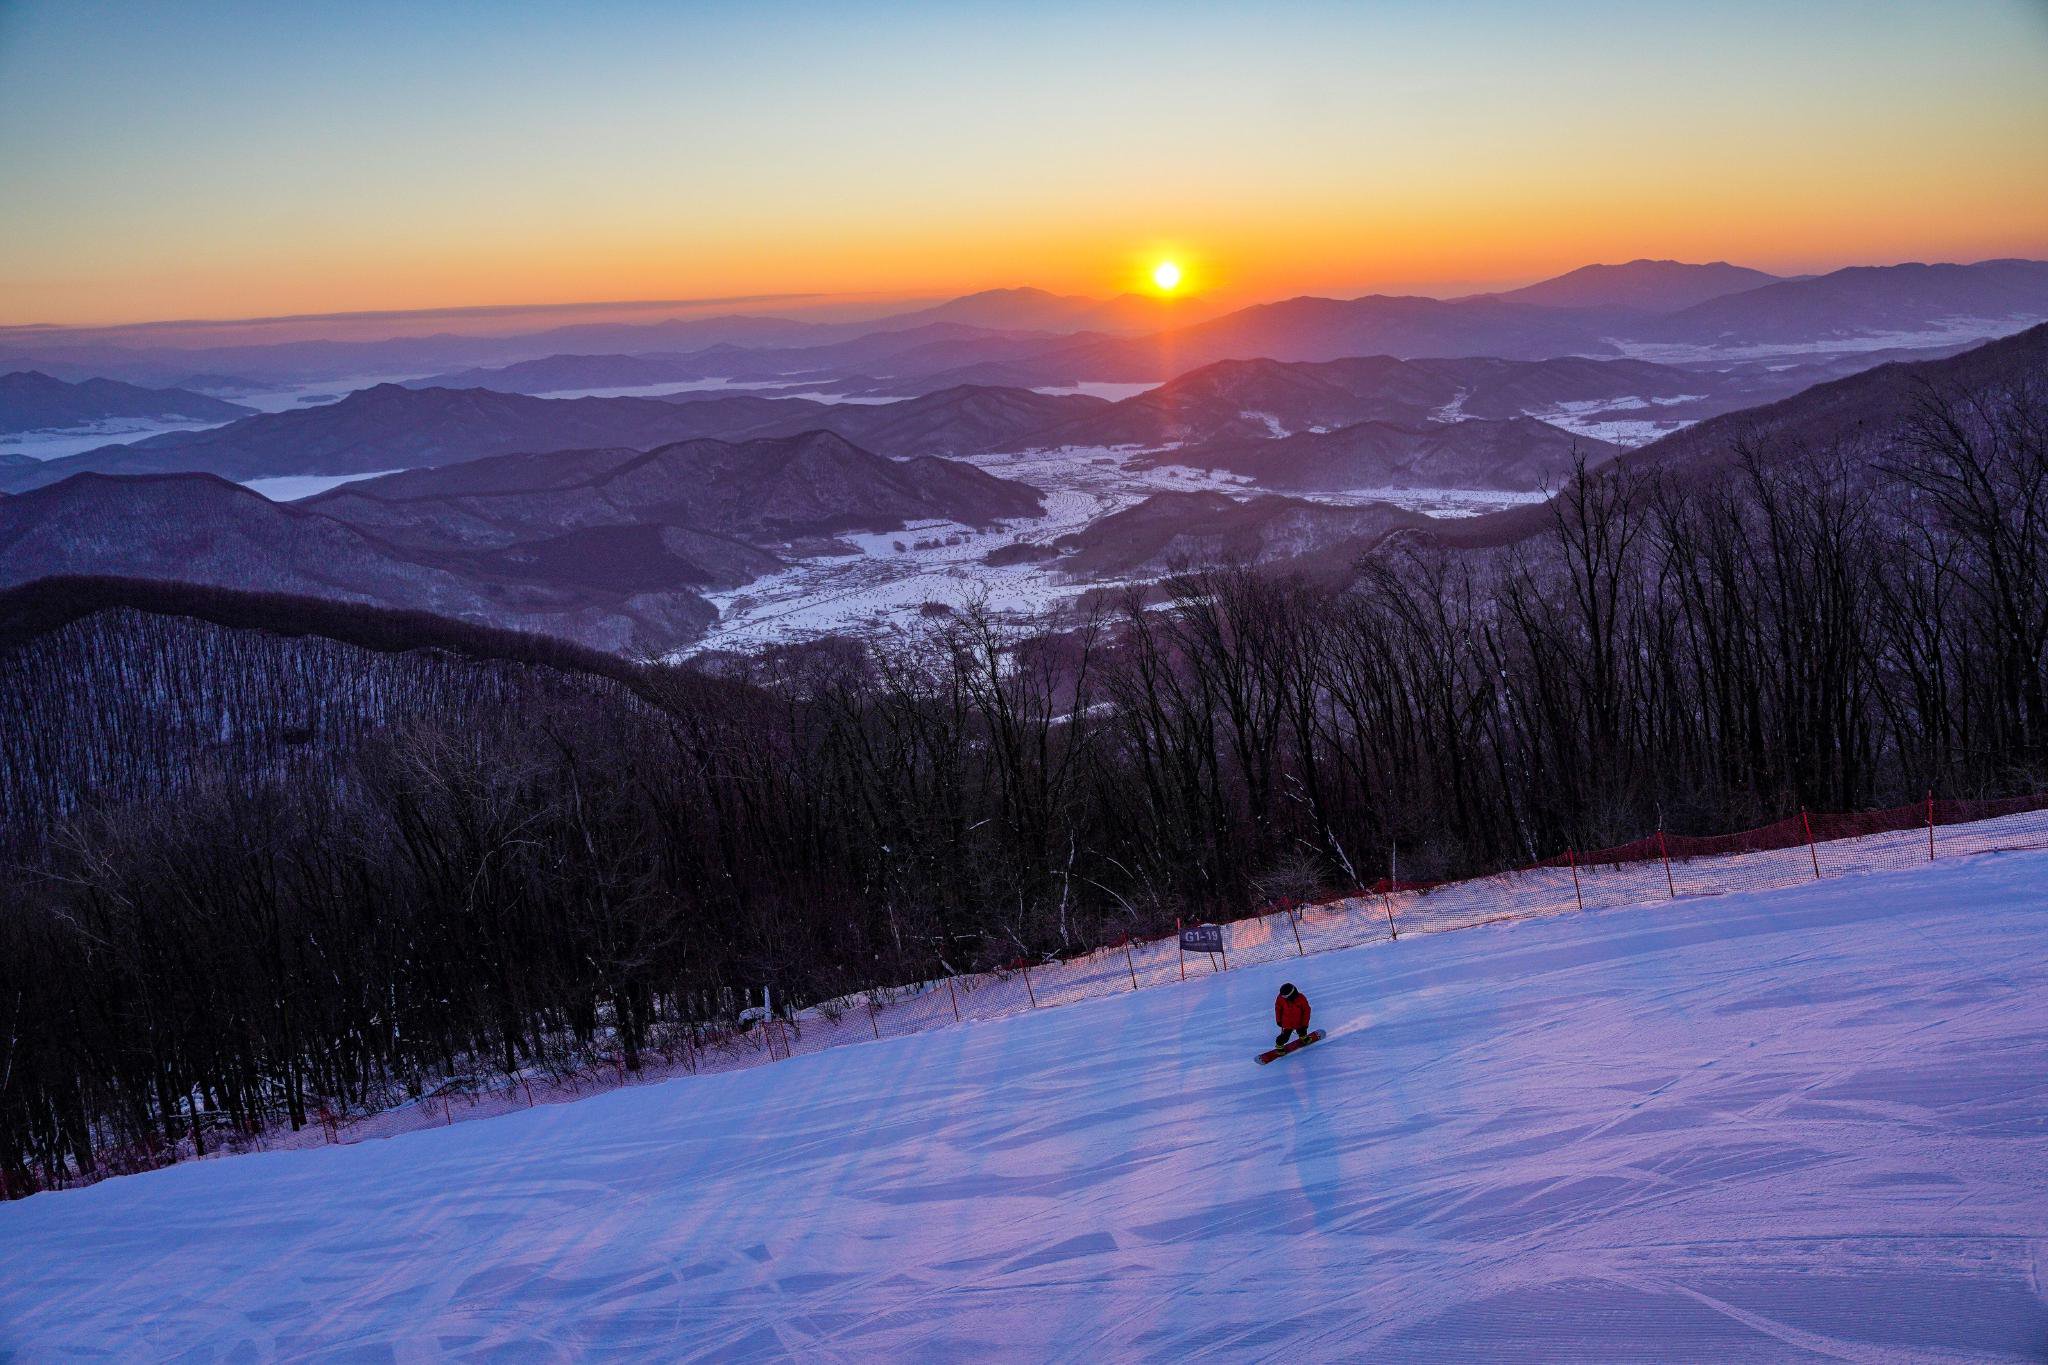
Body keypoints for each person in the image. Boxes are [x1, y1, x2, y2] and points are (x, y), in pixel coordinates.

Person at [1274, 982, 1312, 1049]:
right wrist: (1279, 1020)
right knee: (1284, 1037)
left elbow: (1307, 1012)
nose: (1283, 997)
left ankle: (1303, 1038)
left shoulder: (1301, 999)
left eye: (1285, 996)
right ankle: (1279, 1046)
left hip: (1299, 1022)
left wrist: (1305, 1025)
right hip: (1287, 1023)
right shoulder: (1281, 998)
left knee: (1302, 1032)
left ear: (1291, 994)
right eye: (1282, 995)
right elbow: (1278, 1009)